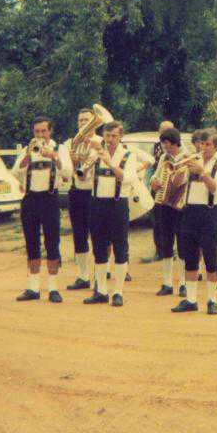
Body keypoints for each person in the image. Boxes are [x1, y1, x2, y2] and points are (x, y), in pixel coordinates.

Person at [170, 129, 217, 315]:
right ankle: (191, 300)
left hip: (210, 212)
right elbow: (177, 183)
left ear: (216, 146)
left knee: (211, 257)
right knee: (190, 256)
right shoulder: (194, 159)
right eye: (201, 144)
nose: (203, 148)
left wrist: (202, 172)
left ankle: (212, 300)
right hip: (190, 211)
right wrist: (179, 171)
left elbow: (215, 188)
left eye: (208, 144)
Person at [12, 117, 69, 303]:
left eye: (44, 131)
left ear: (50, 131)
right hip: (30, 199)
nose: (40, 135)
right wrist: (28, 156)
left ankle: (53, 288)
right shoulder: (27, 149)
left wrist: (53, 156)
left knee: (52, 243)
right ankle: (33, 288)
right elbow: (15, 172)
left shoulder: (60, 149)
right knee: (31, 243)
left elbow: (67, 173)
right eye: (37, 131)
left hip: (49, 199)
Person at [82, 121, 138, 307]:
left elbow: (127, 178)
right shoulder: (96, 153)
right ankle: (101, 291)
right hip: (97, 203)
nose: (111, 139)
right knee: (98, 247)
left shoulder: (128, 155)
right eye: (107, 135)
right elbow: (83, 178)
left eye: (114, 136)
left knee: (120, 248)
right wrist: (83, 166)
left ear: (120, 136)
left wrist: (110, 162)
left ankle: (118, 292)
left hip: (118, 204)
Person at [61, 108, 102, 291]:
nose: (83, 123)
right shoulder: (70, 143)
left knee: (99, 235)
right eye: (80, 120)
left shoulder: (100, 142)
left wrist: (82, 160)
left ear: (94, 123)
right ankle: (83, 276)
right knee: (79, 235)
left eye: (87, 120)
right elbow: (66, 171)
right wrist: (72, 161)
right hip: (76, 191)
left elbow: (93, 168)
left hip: (95, 193)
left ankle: (100, 276)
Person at [150, 127, 187, 296]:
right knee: (166, 243)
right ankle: (167, 283)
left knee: (183, 245)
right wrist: (154, 182)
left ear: (175, 143)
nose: (165, 148)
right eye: (164, 145)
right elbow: (156, 175)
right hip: (164, 204)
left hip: (181, 206)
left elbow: (184, 182)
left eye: (168, 145)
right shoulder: (164, 157)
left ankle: (184, 283)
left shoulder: (187, 157)